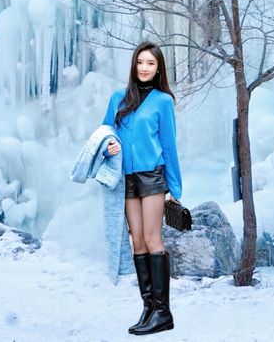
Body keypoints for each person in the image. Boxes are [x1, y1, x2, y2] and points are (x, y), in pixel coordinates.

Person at [102, 41, 182, 336]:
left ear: (158, 67)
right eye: (140, 62)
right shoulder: (118, 98)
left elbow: (169, 145)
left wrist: (174, 187)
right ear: (133, 66)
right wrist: (109, 144)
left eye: (150, 63)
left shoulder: (163, 101)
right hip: (126, 179)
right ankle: (148, 307)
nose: (145, 68)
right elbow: (105, 132)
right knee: (137, 241)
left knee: (151, 237)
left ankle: (163, 312)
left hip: (152, 178)